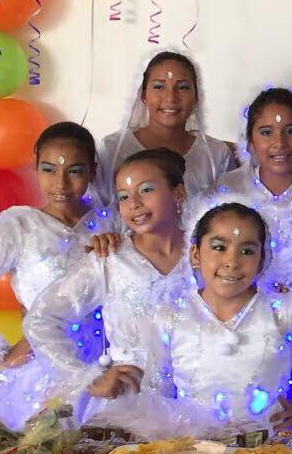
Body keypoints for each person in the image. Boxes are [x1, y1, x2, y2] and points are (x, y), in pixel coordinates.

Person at [91, 200, 292, 435]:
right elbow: (157, 388)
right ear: (196, 254)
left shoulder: (281, 309)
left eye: (247, 251)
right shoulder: (171, 316)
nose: (232, 262)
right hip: (193, 453)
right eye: (219, 247)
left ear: (262, 259)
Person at [0, 122, 118, 429]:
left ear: (92, 170)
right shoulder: (20, 226)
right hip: (42, 375)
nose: (61, 183)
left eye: (75, 171)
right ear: (35, 165)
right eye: (49, 169)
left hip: (110, 368)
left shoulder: (112, 222)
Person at [25, 148, 195, 422]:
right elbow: (41, 319)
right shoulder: (109, 259)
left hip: (200, 405)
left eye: (146, 190)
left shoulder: (207, 255)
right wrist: (88, 378)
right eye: (124, 196)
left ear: (178, 193)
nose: (134, 204)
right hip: (131, 409)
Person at [210, 87, 292, 304]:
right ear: (250, 141)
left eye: (291, 131)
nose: (280, 143)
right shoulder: (230, 189)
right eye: (266, 132)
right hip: (246, 314)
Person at [94, 50, 235, 205]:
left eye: (182, 87)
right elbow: (94, 209)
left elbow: (229, 210)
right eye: (159, 86)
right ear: (144, 95)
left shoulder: (216, 155)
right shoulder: (111, 151)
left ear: (196, 96)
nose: (170, 98)